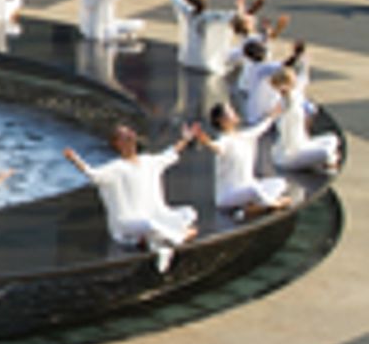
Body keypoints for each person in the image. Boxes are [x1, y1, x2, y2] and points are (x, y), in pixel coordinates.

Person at [64, 124, 199, 273]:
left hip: (153, 214)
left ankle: (161, 243)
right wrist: (75, 160)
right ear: (117, 143)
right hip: (129, 221)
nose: (129, 137)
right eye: (124, 136)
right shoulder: (115, 168)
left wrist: (186, 139)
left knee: (188, 213)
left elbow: (170, 153)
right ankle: (169, 244)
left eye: (130, 134)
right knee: (150, 225)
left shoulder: (148, 161)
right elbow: (94, 175)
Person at [192, 103, 290, 220]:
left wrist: (273, 115)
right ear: (222, 121)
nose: (235, 113)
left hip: (247, 187)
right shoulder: (224, 140)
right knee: (254, 191)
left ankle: (251, 209)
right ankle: (274, 204)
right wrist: (205, 141)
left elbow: (261, 127)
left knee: (279, 183)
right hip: (228, 195)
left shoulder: (244, 136)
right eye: (230, 112)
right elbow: (216, 147)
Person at [269, 66, 341, 173]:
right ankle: (327, 161)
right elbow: (287, 105)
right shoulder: (284, 103)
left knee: (332, 139)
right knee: (325, 152)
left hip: (301, 144)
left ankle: (323, 161)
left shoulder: (296, 96)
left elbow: (309, 109)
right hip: (289, 155)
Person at [168, 0, 243, 73]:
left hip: (189, 60)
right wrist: (240, 7)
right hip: (204, 62)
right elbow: (234, 16)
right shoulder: (211, 15)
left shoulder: (188, 12)